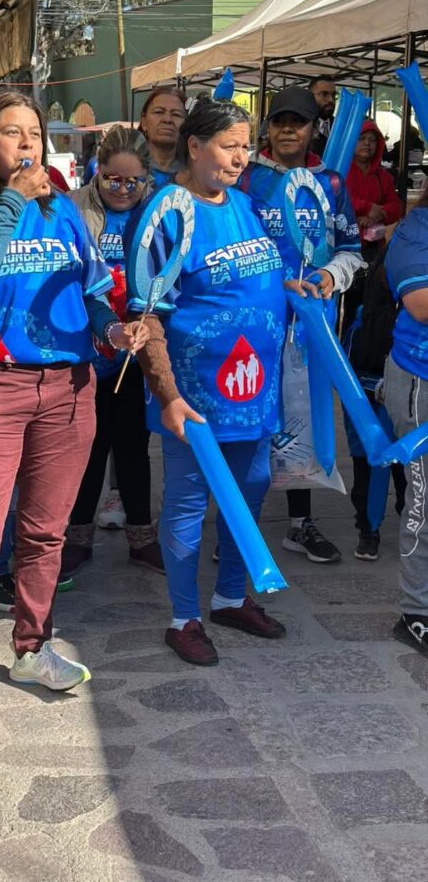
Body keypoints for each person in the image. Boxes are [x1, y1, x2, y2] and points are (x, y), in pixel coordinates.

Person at [0, 90, 147, 727]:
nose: (26, 144)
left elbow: (93, 294)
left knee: (45, 533)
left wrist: (114, 331)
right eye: (11, 133)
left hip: (68, 387)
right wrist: (12, 202)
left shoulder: (66, 211)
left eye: (33, 133)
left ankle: (32, 647)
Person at [126, 98, 293, 667]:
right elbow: (146, 315)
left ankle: (229, 597)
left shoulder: (243, 203)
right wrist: (168, 395)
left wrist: (297, 288)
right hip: (196, 397)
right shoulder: (168, 212)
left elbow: (260, 275)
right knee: (189, 502)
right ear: (195, 147)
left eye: (245, 146)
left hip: (255, 391)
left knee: (252, 488)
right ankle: (184, 617)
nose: (242, 158)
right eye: (230, 147)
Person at [237, 85, 364, 564]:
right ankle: (240, 525)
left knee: (301, 421)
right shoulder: (246, 179)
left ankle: (299, 523)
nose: (288, 129)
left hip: (309, 326)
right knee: (250, 419)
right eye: (280, 121)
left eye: (299, 121)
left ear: (315, 128)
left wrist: (331, 275)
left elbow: (352, 249)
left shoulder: (330, 183)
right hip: (254, 321)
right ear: (267, 127)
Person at [58, 126, 161, 579]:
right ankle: (77, 539)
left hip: (137, 350)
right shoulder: (73, 208)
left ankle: (142, 537)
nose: (122, 189)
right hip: (87, 349)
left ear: (147, 180)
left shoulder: (158, 211)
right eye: (111, 179)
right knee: (87, 449)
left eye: (132, 181)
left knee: (134, 447)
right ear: (96, 172)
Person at [383, 186, 428, 653]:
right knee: (425, 499)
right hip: (421, 380)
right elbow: (421, 304)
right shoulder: (416, 230)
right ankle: (417, 611)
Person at [344, 244, 406, 560]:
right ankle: (368, 531)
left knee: (406, 469)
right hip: (367, 389)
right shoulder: (364, 319)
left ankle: (409, 526)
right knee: (367, 463)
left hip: (404, 392)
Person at [341, 119, 402, 338]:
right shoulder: (341, 171)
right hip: (342, 250)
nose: (367, 144)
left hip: (373, 252)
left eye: (372, 140)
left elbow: (396, 207)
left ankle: (361, 349)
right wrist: (366, 208)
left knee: (370, 307)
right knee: (342, 307)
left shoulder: (383, 176)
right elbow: (336, 199)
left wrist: (379, 212)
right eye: (361, 138)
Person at [138, 87, 187, 190]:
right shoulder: (126, 167)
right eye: (159, 112)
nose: (167, 120)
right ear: (144, 122)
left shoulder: (194, 174)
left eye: (176, 114)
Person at [308, 75, 337, 158]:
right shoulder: (302, 128)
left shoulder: (341, 127)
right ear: (310, 96)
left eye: (333, 95)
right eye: (324, 94)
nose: (331, 100)